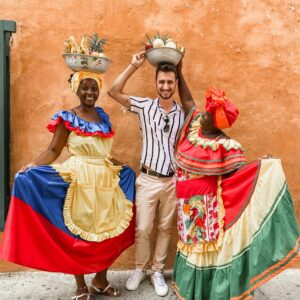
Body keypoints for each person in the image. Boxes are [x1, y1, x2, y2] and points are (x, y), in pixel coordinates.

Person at [0, 71, 136, 299]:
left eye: (94, 88)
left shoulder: (103, 118)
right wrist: (32, 165)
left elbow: (102, 153)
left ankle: (100, 281)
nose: (90, 92)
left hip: (105, 182)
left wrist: (122, 166)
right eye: (85, 88)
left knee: (105, 232)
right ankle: (81, 285)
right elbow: (54, 150)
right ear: (76, 89)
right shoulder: (67, 118)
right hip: (79, 180)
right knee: (77, 235)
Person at [172, 67, 300, 300]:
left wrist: (264, 166)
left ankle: (207, 292)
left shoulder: (225, 145)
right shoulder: (195, 124)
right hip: (186, 204)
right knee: (189, 244)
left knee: (204, 249)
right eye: (207, 111)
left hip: (206, 208)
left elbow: (241, 174)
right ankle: (191, 290)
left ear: (218, 122)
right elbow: (187, 99)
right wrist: (179, 72)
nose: (205, 115)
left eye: (210, 114)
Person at [108, 51, 185, 296]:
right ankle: (140, 268)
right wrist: (132, 66)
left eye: (170, 82)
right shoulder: (144, 106)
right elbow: (114, 91)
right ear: (155, 83)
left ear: (175, 84)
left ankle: (157, 271)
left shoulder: (182, 113)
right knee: (142, 228)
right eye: (161, 82)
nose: (165, 86)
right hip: (148, 178)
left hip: (172, 180)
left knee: (165, 229)